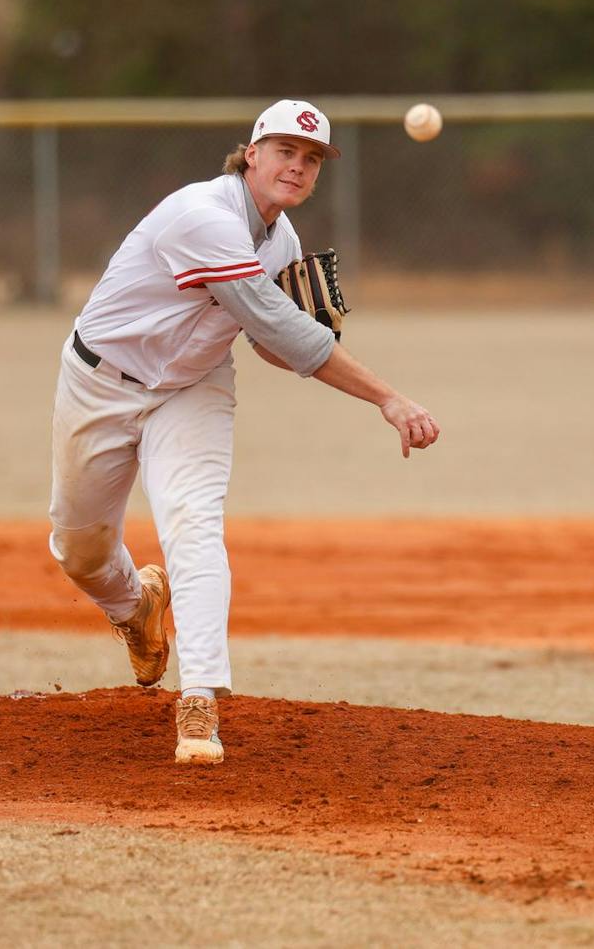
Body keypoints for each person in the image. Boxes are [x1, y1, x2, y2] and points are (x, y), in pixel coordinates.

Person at [47, 99, 440, 765]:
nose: (298, 165)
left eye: (312, 158)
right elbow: (279, 327)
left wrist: (312, 337)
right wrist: (386, 397)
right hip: (101, 382)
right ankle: (135, 605)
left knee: (193, 521)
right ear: (251, 153)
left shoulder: (280, 241)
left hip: (194, 388)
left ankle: (198, 695)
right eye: (286, 150)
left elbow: (268, 344)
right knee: (79, 549)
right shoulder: (203, 217)